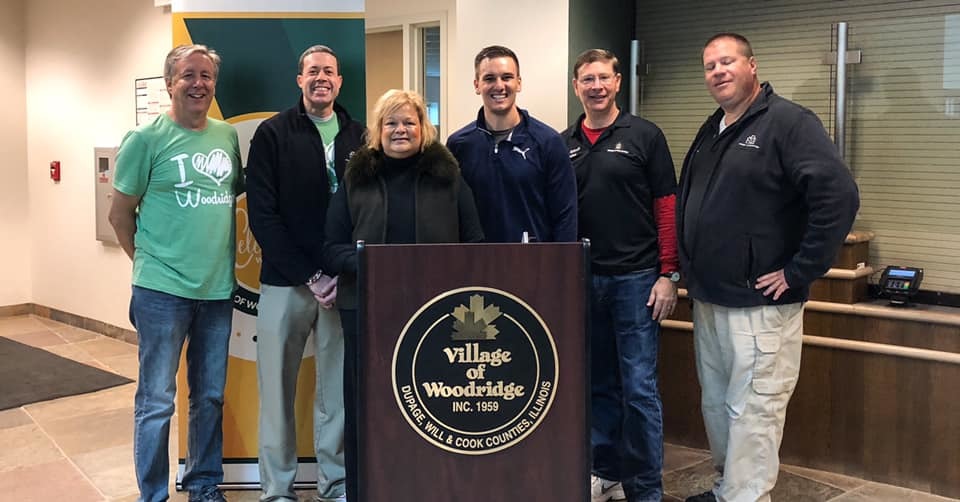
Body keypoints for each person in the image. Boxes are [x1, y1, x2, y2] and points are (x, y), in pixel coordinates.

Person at [678, 33, 859, 502]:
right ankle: (729, 489)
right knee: (719, 405)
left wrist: (799, 270)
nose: (718, 72)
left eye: (727, 62)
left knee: (755, 409)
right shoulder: (714, 128)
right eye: (710, 66)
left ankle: (747, 496)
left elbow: (838, 196)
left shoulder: (789, 123)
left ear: (752, 65)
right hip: (712, 299)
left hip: (761, 304)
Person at [323, 89, 484, 500]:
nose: (400, 130)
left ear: (423, 127)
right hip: (366, 310)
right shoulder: (356, 178)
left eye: (409, 122)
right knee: (367, 406)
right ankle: (363, 491)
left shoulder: (448, 177)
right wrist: (375, 263)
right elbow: (332, 247)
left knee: (433, 406)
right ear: (378, 130)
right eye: (391, 122)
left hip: (436, 314)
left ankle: (433, 488)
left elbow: (474, 242)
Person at [109, 44, 242, 502]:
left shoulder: (226, 137)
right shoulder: (144, 140)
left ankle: (203, 484)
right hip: (160, 292)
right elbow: (119, 215)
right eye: (188, 75)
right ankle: (153, 494)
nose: (198, 84)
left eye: (206, 76)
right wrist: (147, 264)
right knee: (156, 402)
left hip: (217, 291)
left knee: (209, 396)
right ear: (170, 83)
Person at [246, 44, 365, 502]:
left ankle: (335, 485)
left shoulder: (360, 136)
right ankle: (277, 490)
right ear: (299, 79)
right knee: (277, 392)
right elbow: (263, 216)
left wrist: (338, 273)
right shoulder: (273, 134)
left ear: (339, 81)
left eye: (329, 71)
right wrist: (311, 276)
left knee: (337, 392)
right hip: (286, 282)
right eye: (313, 70)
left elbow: (367, 210)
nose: (321, 78)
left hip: (343, 286)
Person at [564, 49, 679, 502]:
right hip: (583, 281)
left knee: (639, 390)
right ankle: (606, 472)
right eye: (587, 79)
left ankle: (646, 488)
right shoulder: (564, 143)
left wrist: (669, 273)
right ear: (576, 86)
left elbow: (666, 207)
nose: (596, 86)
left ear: (616, 83)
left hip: (637, 281)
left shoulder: (645, 136)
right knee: (599, 387)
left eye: (603, 78)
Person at [447, 45, 577, 243]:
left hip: (534, 260)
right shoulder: (458, 145)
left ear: (519, 83)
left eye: (506, 77)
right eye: (489, 78)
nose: (499, 86)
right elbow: (450, 212)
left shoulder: (548, 142)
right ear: (477, 85)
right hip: (476, 260)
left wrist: (562, 260)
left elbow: (565, 215)